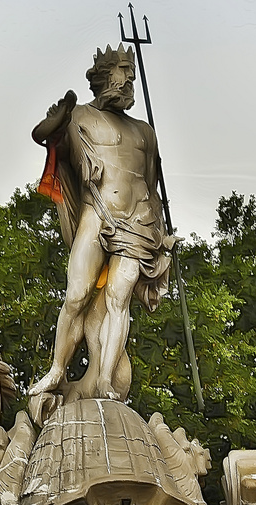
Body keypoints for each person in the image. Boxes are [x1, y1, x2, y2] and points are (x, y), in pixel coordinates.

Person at [30, 44, 174, 403]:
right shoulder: (78, 117)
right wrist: (58, 115)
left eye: (131, 77)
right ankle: (57, 369)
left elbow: (151, 181)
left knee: (117, 298)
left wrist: (160, 231)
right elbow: (42, 135)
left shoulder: (145, 132)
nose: (128, 84)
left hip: (139, 223)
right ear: (103, 78)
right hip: (96, 214)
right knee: (77, 294)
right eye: (123, 75)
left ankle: (106, 380)